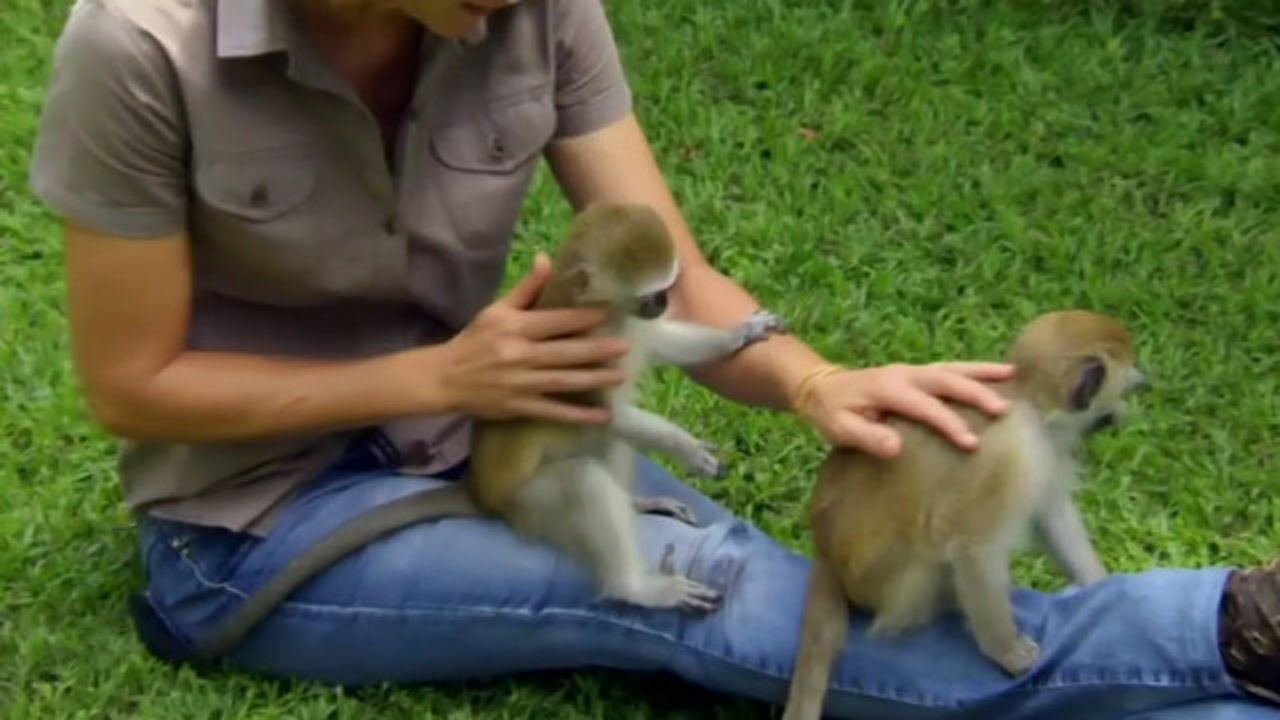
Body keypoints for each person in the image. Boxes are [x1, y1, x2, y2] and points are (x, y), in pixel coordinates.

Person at [28, 0, 1280, 717]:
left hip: (503, 444)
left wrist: (809, 379)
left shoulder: (532, 10)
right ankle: (1224, 627)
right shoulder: (141, 46)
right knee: (709, 583)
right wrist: (439, 382)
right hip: (256, 526)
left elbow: (675, 274)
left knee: (816, 578)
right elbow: (128, 383)